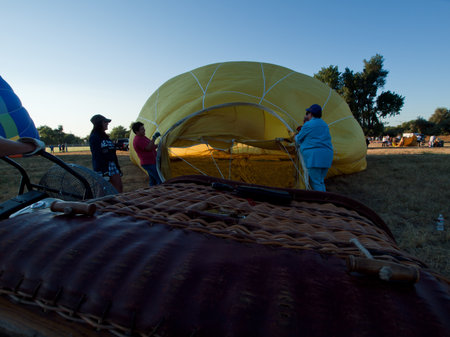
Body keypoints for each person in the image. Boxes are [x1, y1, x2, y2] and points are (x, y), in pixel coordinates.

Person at [294, 104, 334, 192]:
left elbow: (298, 139)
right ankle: (325, 199)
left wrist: (295, 135)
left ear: (311, 114)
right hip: (327, 157)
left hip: (315, 158)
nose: (306, 115)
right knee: (320, 181)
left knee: (315, 183)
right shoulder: (324, 124)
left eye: (307, 113)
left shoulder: (308, 124)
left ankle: (321, 203)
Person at [89, 114, 123, 193]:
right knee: (101, 191)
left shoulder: (105, 136)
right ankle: (99, 204)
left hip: (112, 165)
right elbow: (97, 155)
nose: (107, 123)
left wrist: (117, 167)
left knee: (119, 188)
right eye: (105, 122)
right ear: (99, 123)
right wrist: (104, 171)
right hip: (102, 167)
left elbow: (113, 154)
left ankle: (118, 204)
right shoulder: (94, 137)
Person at [132, 122, 162, 186]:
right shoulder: (138, 140)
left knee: (153, 181)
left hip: (151, 162)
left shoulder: (143, 137)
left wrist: (158, 145)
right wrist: (154, 138)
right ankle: (160, 193)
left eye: (143, 128)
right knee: (159, 179)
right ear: (136, 131)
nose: (144, 130)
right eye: (142, 129)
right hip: (148, 163)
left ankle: (151, 194)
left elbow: (151, 146)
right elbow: (148, 148)